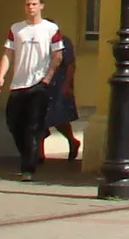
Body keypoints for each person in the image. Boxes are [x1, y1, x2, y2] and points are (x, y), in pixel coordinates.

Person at [0, 0, 64, 180]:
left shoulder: (51, 29)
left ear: (41, 6)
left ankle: (28, 168)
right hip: (18, 84)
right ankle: (28, 154)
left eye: (34, 4)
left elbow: (58, 55)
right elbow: (8, 53)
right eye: (27, 5)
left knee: (33, 126)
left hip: (39, 84)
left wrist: (47, 78)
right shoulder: (17, 29)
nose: (30, 8)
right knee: (14, 123)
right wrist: (1, 76)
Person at [44, 34, 80, 163]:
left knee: (59, 117)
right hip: (41, 83)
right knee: (38, 117)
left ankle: (72, 141)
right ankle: (39, 153)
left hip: (58, 83)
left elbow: (70, 64)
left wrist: (67, 84)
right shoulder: (39, 40)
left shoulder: (64, 41)